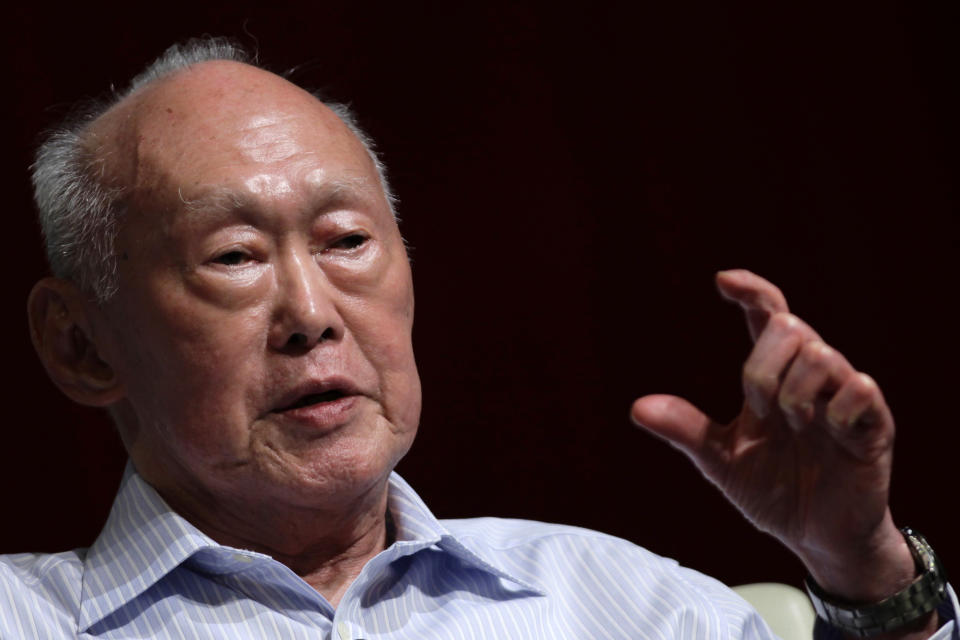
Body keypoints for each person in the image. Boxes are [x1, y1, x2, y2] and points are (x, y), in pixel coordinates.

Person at [0, 37, 953, 639]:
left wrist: (862, 570)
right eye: (235, 255)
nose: (314, 314)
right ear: (82, 346)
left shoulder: (619, 602)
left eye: (347, 241)